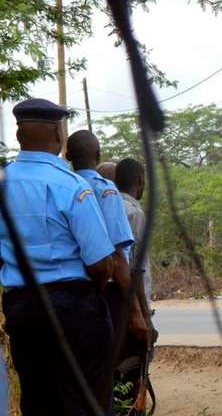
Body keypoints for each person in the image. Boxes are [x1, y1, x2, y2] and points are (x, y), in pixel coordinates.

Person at [1, 98, 116, 414]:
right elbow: (100, 263)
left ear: (19, 134)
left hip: (21, 307)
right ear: (56, 132)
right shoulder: (71, 185)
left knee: (38, 402)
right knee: (86, 402)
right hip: (71, 307)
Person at [66, 130, 150, 345]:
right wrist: (138, 313)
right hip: (109, 290)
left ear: (68, 155)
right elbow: (121, 257)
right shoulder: (106, 190)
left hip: (67, 294)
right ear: (98, 153)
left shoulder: (64, 185)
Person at [115, 158, 153, 312]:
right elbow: (136, 268)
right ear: (139, 179)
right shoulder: (134, 213)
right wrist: (143, 312)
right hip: (131, 302)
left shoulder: (107, 205)